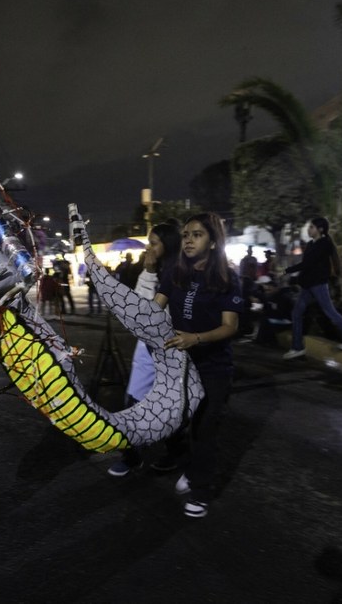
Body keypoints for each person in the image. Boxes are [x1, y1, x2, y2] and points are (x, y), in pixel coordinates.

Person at [151, 212, 242, 519]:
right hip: (178, 366)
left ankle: (200, 492)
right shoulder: (174, 273)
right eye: (186, 235)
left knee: (203, 430)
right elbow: (154, 309)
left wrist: (197, 338)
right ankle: (189, 467)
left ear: (213, 242)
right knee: (173, 422)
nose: (188, 240)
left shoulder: (226, 278)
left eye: (197, 235)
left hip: (213, 368)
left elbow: (230, 327)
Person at [107, 221, 180, 477]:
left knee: (169, 407)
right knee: (133, 401)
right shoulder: (151, 270)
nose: (148, 248)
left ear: (168, 245)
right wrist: (147, 273)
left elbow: (152, 314)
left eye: (154, 243)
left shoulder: (178, 275)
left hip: (170, 350)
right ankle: (131, 456)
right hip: (146, 350)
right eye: (148, 243)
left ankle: (176, 453)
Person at [282, 217, 342, 359]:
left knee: (330, 311)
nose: (309, 230)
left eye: (312, 227)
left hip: (318, 284)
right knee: (296, 313)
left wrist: (287, 270)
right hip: (308, 285)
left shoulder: (324, 244)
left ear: (320, 229)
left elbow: (308, 264)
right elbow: (307, 265)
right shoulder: (311, 244)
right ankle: (297, 347)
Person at [238, 246, 259, 335]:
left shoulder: (252, 259)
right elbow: (242, 269)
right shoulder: (245, 259)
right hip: (246, 279)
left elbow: (255, 269)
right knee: (247, 296)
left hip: (250, 279)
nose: (250, 252)